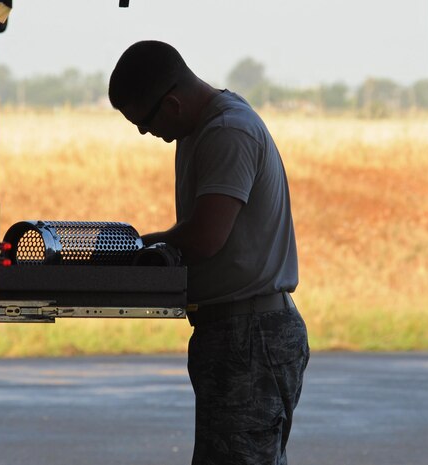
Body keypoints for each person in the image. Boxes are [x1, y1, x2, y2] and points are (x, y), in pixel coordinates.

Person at [109, 41, 310, 465]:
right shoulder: (202, 127)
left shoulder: (226, 132)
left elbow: (204, 237)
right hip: (235, 334)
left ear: (173, 103)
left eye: (144, 122)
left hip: (249, 337)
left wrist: (137, 249)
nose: (147, 134)